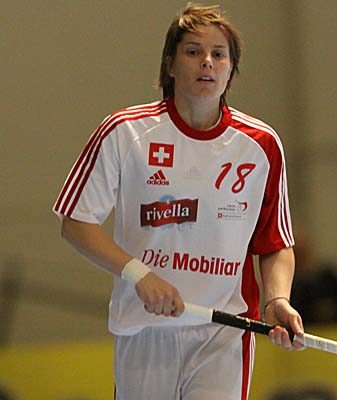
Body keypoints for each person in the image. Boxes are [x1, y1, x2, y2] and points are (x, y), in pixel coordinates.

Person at [53, 4, 304, 399]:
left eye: (219, 54)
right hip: (143, 330)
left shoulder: (260, 145)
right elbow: (76, 223)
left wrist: (277, 299)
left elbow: (274, 242)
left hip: (224, 332)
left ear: (231, 70)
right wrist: (139, 275)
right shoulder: (125, 132)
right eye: (193, 51)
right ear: (170, 65)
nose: (207, 62)